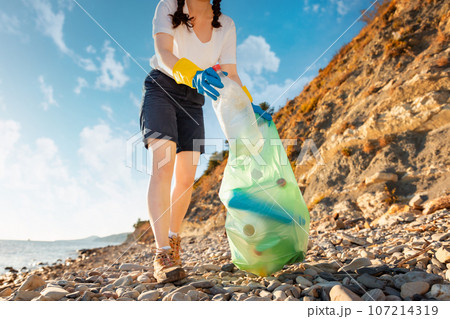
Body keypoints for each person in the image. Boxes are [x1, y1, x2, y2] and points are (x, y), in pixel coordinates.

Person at [140, 0, 272, 283]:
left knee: (187, 176)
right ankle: (162, 253)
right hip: (162, 87)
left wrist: (249, 106)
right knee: (164, 165)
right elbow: (163, 52)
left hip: (194, 99)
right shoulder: (169, 6)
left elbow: (230, 73)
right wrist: (193, 73)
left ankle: (174, 241)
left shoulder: (225, 25)